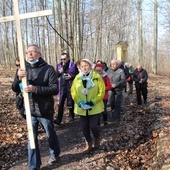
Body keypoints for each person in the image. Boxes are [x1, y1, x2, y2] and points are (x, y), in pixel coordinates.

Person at [11, 44, 60, 170]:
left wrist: (35, 89)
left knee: (50, 134)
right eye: (28, 52)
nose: (30, 54)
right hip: (30, 110)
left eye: (33, 52)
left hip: (44, 110)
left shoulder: (49, 69)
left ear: (39, 54)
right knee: (31, 139)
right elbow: (15, 88)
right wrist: (18, 77)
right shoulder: (23, 68)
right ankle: (34, 166)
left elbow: (54, 89)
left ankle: (55, 153)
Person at [71, 59, 105, 153]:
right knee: (84, 127)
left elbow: (101, 91)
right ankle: (88, 144)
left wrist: (93, 102)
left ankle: (97, 138)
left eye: (86, 65)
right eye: (82, 66)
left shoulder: (97, 77)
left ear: (90, 66)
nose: (84, 68)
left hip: (95, 107)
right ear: (80, 67)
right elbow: (73, 92)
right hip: (82, 107)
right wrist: (79, 102)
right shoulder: (77, 78)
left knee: (93, 126)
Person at [53, 53, 78, 125]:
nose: (63, 61)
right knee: (60, 103)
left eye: (64, 59)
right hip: (61, 87)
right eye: (61, 59)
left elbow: (77, 75)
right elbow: (55, 75)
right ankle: (58, 119)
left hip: (70, 86)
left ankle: (72, 116)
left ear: (68, 58)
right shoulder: (59, 65)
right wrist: (59, 72)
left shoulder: (73, 65)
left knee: (71, 103)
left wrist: (71, 76)